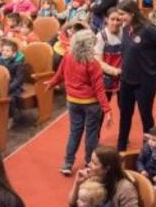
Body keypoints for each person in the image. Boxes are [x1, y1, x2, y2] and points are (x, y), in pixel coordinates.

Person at [46, 29, 111, 176]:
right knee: (91, 134)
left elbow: (60, 74)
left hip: (73, 101)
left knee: (74, 132)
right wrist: (107, 110)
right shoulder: (93, 63)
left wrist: (52, 83)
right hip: (91, 103)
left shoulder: (68, 56)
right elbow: (99, 89)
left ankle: (67, 163)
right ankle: (89, 162)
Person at [115, 0, 156, 152]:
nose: (120, 17)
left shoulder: (148, 29)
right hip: (127, 79)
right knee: (125, 115)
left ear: (132, 13)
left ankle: (149, 149)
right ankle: (121, 148)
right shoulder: (126, 28)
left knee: (145, 115)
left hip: (145, 80)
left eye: (123, 14)